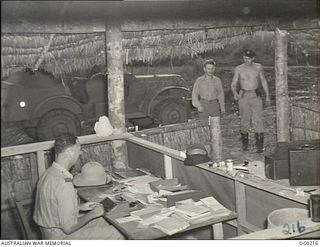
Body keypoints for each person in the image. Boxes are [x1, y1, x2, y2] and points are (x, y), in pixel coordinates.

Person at [33, 134, 124, 240]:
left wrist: (78, 208)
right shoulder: (64, 183)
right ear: (69, 153)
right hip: (60, 237)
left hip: (49, 231)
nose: (79, 153)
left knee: (104, 221)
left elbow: (52, 207)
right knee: (119, 233)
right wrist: (93, 213)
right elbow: (69, 228)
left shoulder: (49, 173)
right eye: (78, 150)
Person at [231, 49, 271, 153]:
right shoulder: (239, 69)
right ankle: (245, 146)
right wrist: (235, 93)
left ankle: (259, 147)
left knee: (258, 119)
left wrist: (267, 96)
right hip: (243, 95)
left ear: (253, 58)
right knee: (244, 120)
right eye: (244, 58)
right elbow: (233, 83)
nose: (246, 60)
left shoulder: (258, 67)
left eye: (248, 58)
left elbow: (263, 81)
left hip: (255, 95)